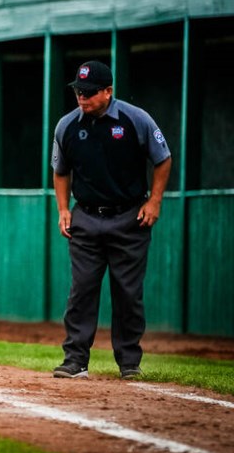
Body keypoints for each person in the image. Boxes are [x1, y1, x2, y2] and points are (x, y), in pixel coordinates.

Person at [51, 61, 172, 380]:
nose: (82, 97)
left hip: (130, 219)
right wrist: (64, 209)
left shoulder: (135, 119)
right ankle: (75, 360)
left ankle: (129, 362)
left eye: (89, 92)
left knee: (128, 293)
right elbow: (61, 171)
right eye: (78, 91)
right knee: (81, 290)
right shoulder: (66, 126)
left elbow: (163, 158)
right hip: (86, 219)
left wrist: (154, 201)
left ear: (108, 91)